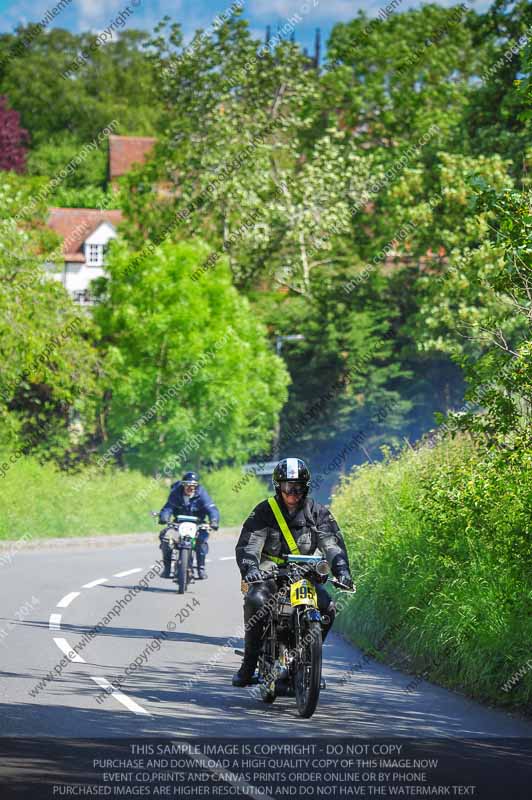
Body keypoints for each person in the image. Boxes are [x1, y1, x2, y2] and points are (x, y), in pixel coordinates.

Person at [232, 457, 354, 687]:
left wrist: (342, 571)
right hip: (271, 573)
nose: (293, 493)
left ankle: (309, 660)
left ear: (305, 488)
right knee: (255, 601)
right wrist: (250, 568)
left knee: (327, 606)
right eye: (288, 487)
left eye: (298, 487)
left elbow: (332, 545)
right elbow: (250, 544)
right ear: (279, 487)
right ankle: (248, 665)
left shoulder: (318, 512)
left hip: (305, 574)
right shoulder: (264, 511)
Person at [158, 471, 220, 579]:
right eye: (187, 485)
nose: (190, 488)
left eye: (193, 485)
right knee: (166, 539)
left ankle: (201, 569)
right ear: (183, 485)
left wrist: (214, 520)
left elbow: (211, 509)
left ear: (196, 486)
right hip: (178, 524)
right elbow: (168, 508)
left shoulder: (202, 494)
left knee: (201, 541)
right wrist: (164, 517)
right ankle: (167, 568)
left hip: (198, 525)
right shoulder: (176, 493)